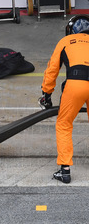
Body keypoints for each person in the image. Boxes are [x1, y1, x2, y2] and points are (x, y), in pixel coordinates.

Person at [39, 15, 89, 184]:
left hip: (75, 84)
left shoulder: (65, 41)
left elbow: (52, 70)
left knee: (64, 124)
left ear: (71, 30)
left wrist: (46, 95)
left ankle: (65, 170)